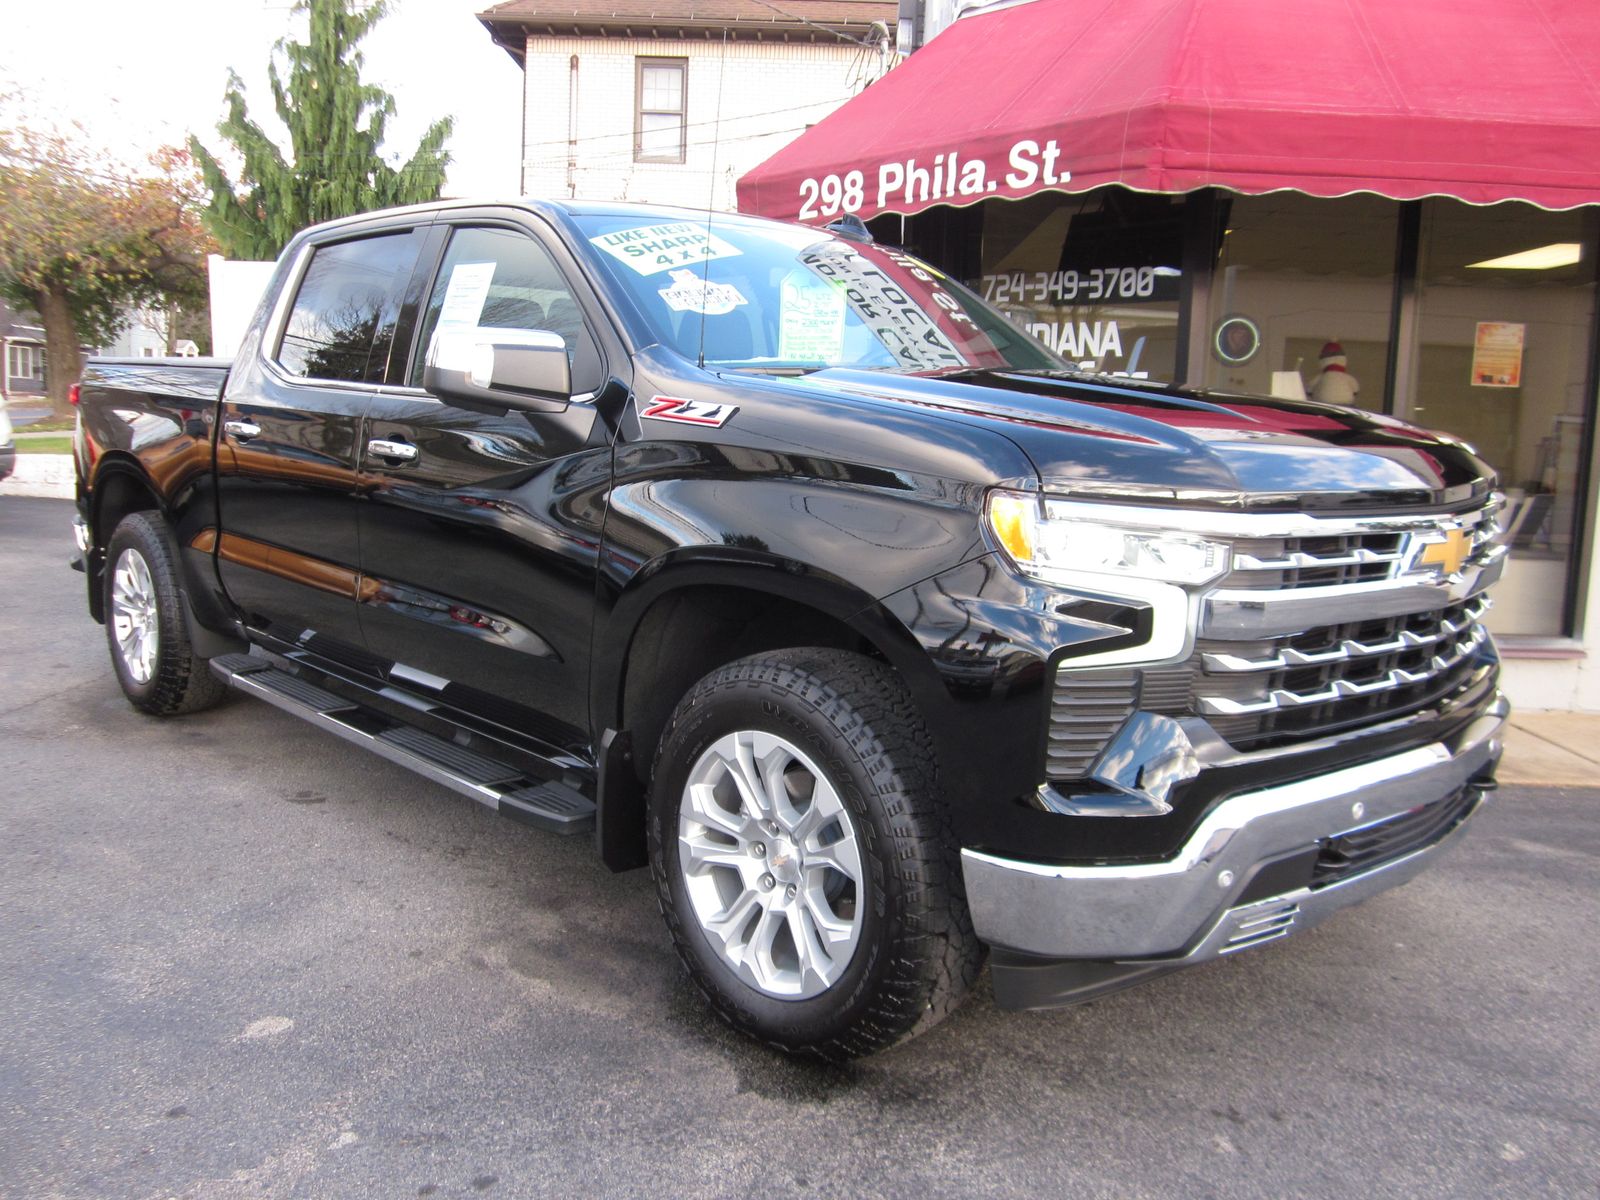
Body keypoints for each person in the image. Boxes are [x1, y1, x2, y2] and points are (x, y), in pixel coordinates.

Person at [1309, 340, 1360, 405]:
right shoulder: (1347, 378)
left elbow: (1309, 390)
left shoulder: (1320, 377)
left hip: (1323, 405)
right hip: (1345, 405)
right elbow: (1356, 390)